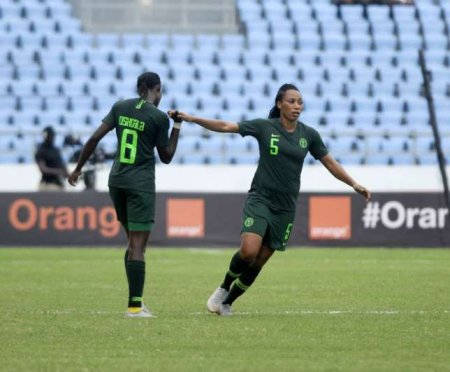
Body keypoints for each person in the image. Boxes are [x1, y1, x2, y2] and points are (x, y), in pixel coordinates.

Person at [170, 83, 371, 316]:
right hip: (260, 199)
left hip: (285, 208)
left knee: (259, 262)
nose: (297, 106)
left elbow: (330, 163)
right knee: (248, 251)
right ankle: (224, 287)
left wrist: (353, 183)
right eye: (292, 101)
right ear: (279, 104)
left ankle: (227, 303)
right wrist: (192, 118)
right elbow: (225, 125)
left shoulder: (309, 135)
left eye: (300, 102)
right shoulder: (265, 127)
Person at [68, 72, 182, 318]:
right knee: (138, 246)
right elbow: (167, 156)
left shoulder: (120, 107)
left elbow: (94, 138)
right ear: (157, 89)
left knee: (132, 244)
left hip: (117, 181)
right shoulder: (159, 118)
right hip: (140, 184)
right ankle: (134, 307)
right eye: (160, 91)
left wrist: (78, 168)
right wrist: (178, 127)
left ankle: (136, 301)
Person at [35, 125, 69, 191]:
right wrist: (58, 172)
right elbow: (43, 169)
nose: (52, 137)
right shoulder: (41, 150)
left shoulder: (56, 150)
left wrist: (70, 174)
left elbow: (63, 165)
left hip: (59, 184)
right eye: (51, 135)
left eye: (53, 135)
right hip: (47, 184)